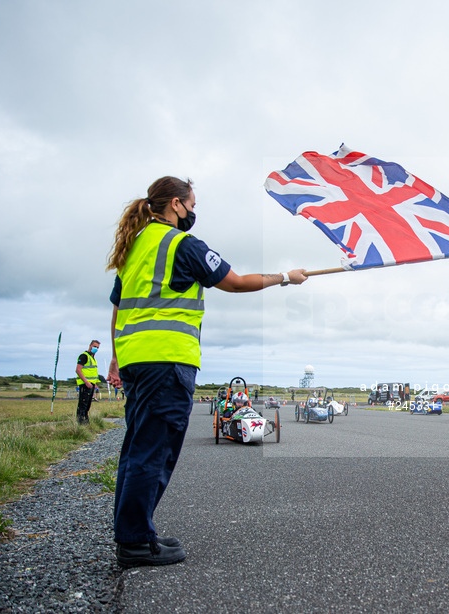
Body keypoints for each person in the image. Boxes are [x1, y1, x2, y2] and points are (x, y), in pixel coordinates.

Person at [106, 176, 307, 568]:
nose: (194, 212)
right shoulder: (181, 245)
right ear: (177, 204)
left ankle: (134, 533)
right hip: (167, 360)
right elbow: (234, 282)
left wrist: (115, 358)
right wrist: (286, 277)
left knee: (136, 449)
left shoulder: (134, 248)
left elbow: (118, 307)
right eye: (192, 204)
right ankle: (133, 542)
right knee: (154, 451)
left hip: (135, 360)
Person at [75, 340, 100, 424]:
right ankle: (80, 422)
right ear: (90, 346)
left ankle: (85, 421)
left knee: (87, 405)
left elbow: (91, 372)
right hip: (85, 384)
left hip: (91, 384)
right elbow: (78, 370)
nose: (96, 348)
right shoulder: (84, 356)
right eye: (94, 346)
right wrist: (86, 382)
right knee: (83, 404)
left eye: (97, 347)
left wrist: (94, 384)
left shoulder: (92, 358)